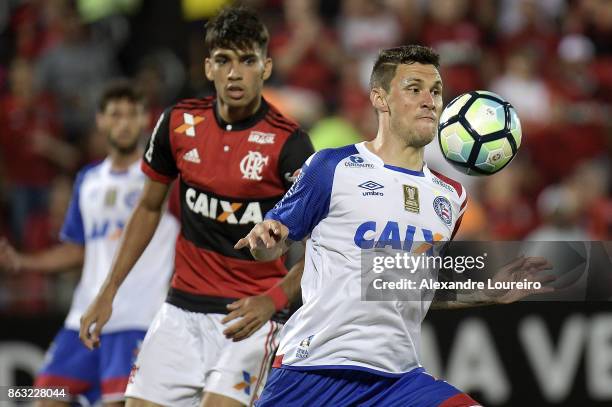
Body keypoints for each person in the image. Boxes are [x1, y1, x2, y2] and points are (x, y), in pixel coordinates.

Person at [237, 45, 552, 406]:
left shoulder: (450, 197)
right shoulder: (331, 167)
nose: (429, 101)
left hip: (397, 381)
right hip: (314, 371)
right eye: (414, 88)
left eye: (435, 91)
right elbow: (272, 244)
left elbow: (408, 288)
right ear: (380, 98)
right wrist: (266, 241)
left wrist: (484, 293)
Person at [79, 7, 314, 407]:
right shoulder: (177, 123)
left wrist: (274, 300)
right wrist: (108, 290)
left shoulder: (289, 144)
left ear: (266, 67)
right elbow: (148, 209)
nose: (234, 73)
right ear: (208, 67)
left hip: (250, 317)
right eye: (223, 60)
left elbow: (319, 247)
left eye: (247, 60)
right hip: (180, 310)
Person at [0, 82, 179, 406]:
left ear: (144, 121)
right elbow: (77, 249)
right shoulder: (88, 179)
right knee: (43, 396)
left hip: (138, 319)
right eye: (115, 114)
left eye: (131, 114)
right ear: (101, 121)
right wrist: (21, 262)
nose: (123, 123)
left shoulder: (165, 179)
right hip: (83, 319)